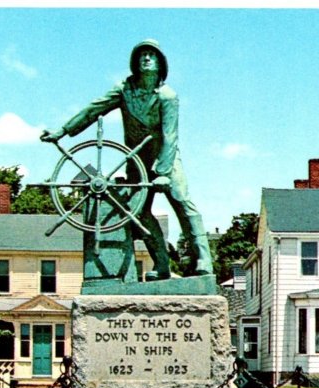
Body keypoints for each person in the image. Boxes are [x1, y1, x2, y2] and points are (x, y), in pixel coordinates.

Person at [41, 39, 213, 281]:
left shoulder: (167, 96)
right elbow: (94, 108)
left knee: (183, 202)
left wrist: (163, 171)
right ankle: (162, 263)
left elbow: (170, 135)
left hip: (166, 155)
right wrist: (63, 130)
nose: (146, 58)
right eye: (141, 54)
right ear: (135, 62)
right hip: (137, 159)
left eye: (152, 55)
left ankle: (203, 258)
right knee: (139, 212)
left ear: (160, 64)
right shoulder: (124, 90)